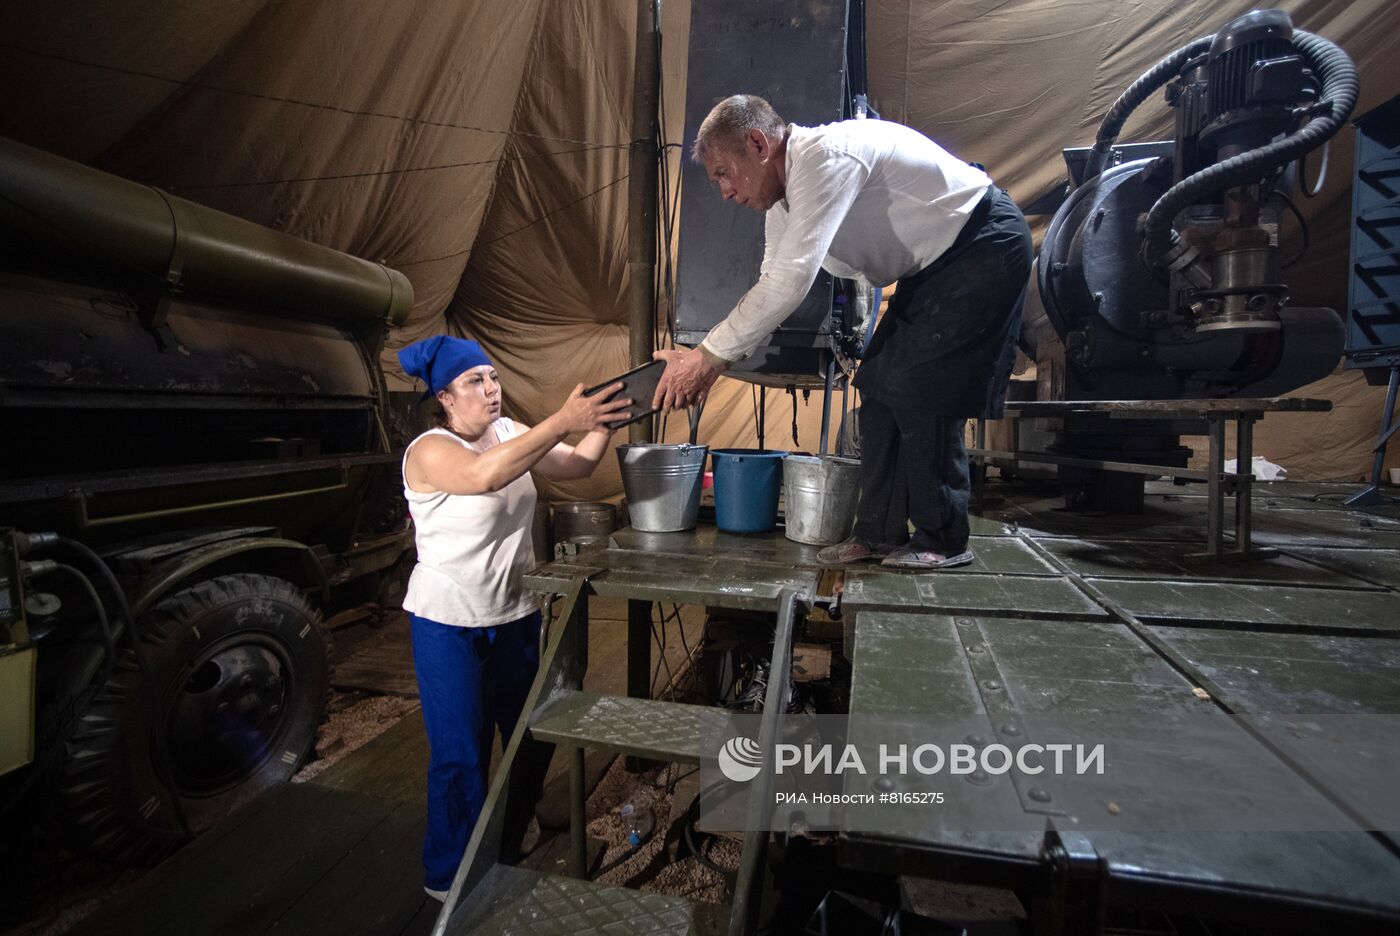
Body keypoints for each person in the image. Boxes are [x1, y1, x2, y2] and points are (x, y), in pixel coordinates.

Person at [652, 94, 1032, 569]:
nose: (725, 191)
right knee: (877, 389)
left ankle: (944, 539)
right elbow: (772, 286)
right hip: (934, 268)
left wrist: (706, 360)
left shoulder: (824, 158)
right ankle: (878, 535)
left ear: (757, 143)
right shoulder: (782, 202)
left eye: (724, 173)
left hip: (982, 243)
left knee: (922, 389)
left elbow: (791, 280)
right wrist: (702, 358)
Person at [396, 335, 631, 900]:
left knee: (531, 734)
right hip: (448, 623)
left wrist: (603, 419)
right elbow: (484, 477)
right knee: (461, 752)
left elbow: (577, 464)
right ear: (446, 398)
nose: (491, 389)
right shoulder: (428, 450)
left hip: (515, 612)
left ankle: (512, 830)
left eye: (493, 377)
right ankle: (450, 878)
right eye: (475, 381)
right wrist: (560, 419)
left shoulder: (509, 432)